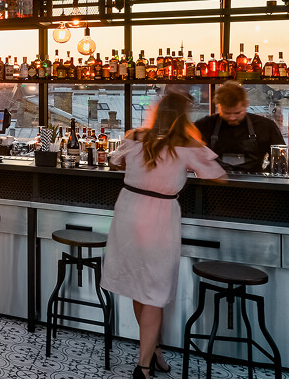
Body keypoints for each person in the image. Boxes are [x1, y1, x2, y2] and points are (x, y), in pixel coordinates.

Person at [103, 92, 227, 379]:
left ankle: (152, 350)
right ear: (184, 117)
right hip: (158, 217)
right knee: (154, 292)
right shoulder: (187, 145)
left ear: (157, 113)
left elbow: (114, 162)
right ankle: (143, 367)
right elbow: (217, 175)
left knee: (139, 285)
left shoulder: (136, 137)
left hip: (128, 213)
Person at [193, 81, 285, 172]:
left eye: (237, 113)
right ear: (218, 106)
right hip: (213, 183)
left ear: (246, 104)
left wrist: (264, 178)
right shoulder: (205, 125)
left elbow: (280, 159)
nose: (232, 118)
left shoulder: (265, 126)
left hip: (254, 183)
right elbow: (189, 156)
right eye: (226, 113)